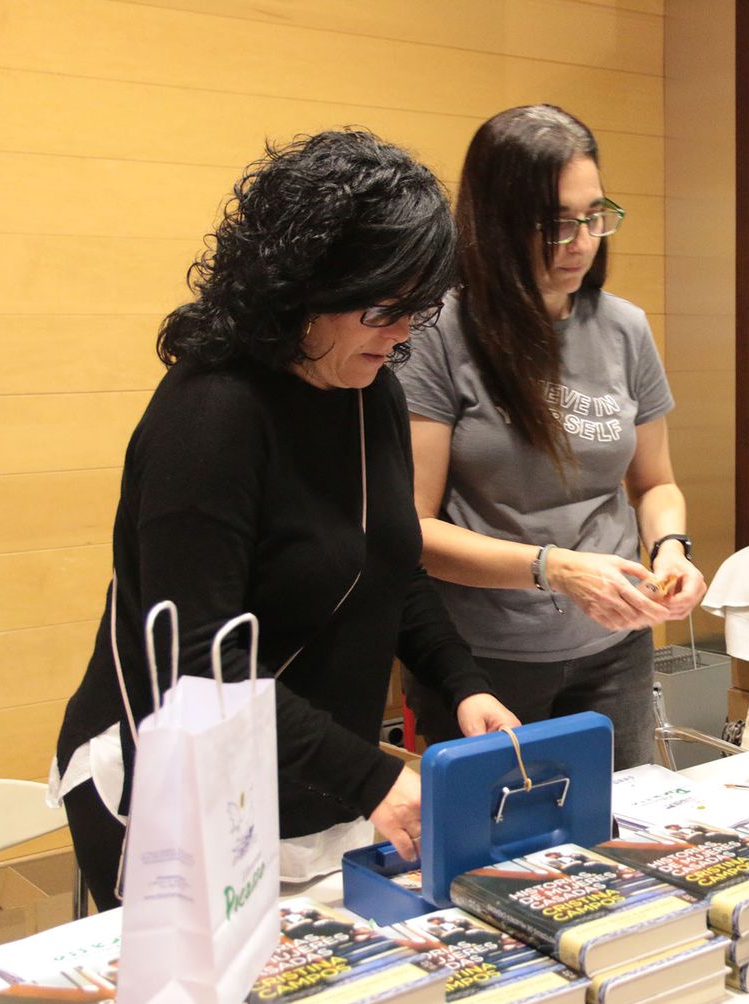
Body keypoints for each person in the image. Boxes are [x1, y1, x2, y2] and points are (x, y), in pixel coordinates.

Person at [52, 130, 519, 910]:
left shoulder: (372, 390)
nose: (402, 333)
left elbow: (389, 567)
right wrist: (373, 775)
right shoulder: (211, 416)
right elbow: (199, 666)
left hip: (310, 782)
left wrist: (462, 682)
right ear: (300, 287)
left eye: (418, 310)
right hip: (179, 788)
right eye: (381, 309)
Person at [395, 104, 706, 770]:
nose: (582, 242)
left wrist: (672, 548)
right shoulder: (437, 335)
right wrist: (553, 569)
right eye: (557, 224)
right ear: (496, 224)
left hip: (614, 652)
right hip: (483, 662)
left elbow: (655, 483)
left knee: (621, 842)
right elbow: (412, 531)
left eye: (595, 217)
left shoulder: (624, 328)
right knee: (491, 861)